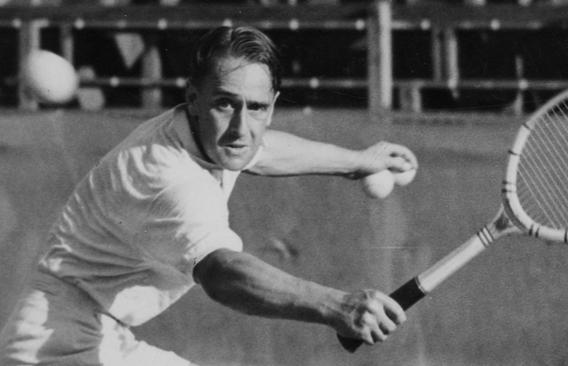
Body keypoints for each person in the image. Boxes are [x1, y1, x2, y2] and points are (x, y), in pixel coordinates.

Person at [0, 26, 417, 365]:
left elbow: (263, 149)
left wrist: (356, 160)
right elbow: (223, 274)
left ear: (270, 107)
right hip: (53, 348)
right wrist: (337, 306)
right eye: (225, 104)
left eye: (255, 108)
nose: (241, 126)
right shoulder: (170, 178)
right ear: (194, 100)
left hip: (100, 336)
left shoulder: (214, 134)